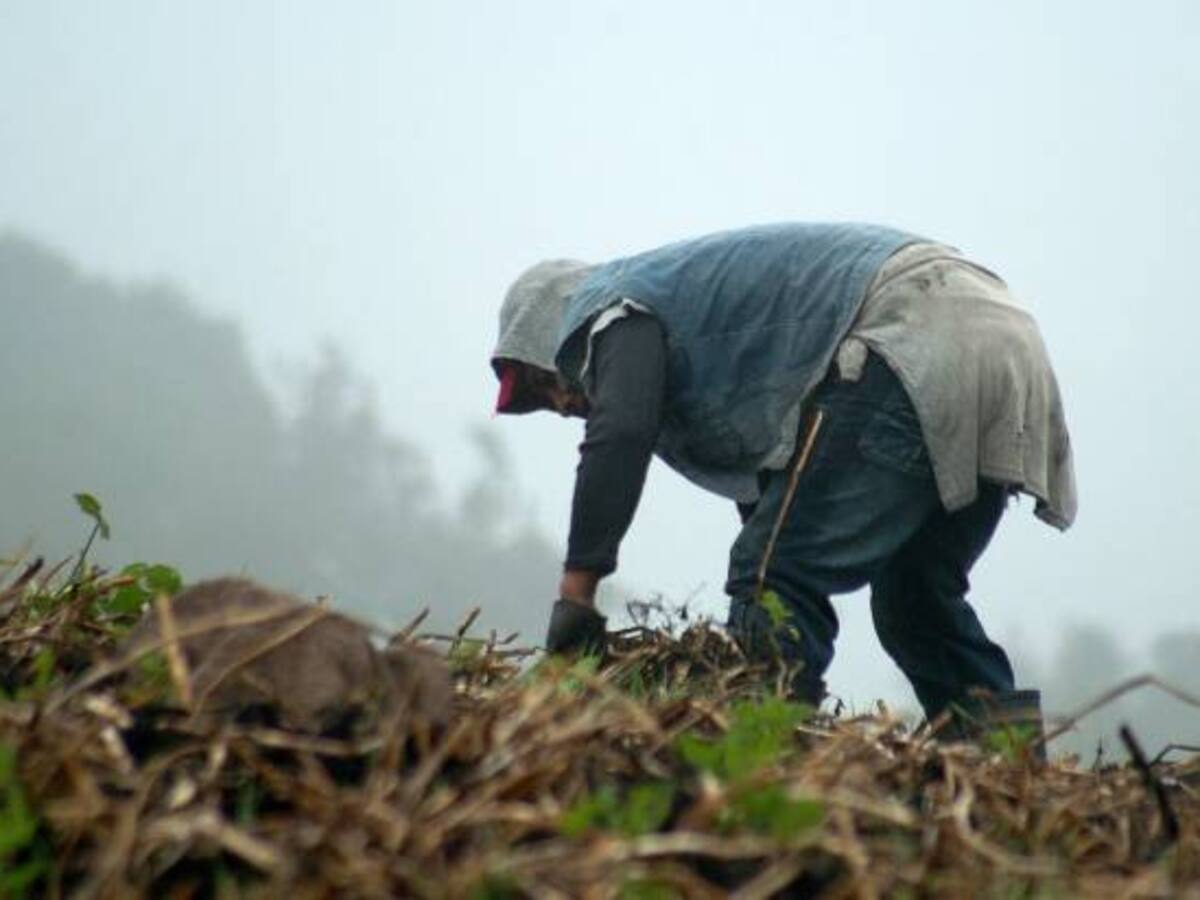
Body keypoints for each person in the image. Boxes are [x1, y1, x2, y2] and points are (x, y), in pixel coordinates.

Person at [490, 222, 1075, 734]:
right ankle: (1012, 771)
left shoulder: (610, 307)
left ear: (553, 328)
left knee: (770, 572)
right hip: (1003, 336)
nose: (562, 406)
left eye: (543, 385)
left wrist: (577, 595)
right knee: (915, 602)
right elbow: (791, 489)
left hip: (911, 325)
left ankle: (765, 758)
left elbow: (620, 435)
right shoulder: (695, 313)